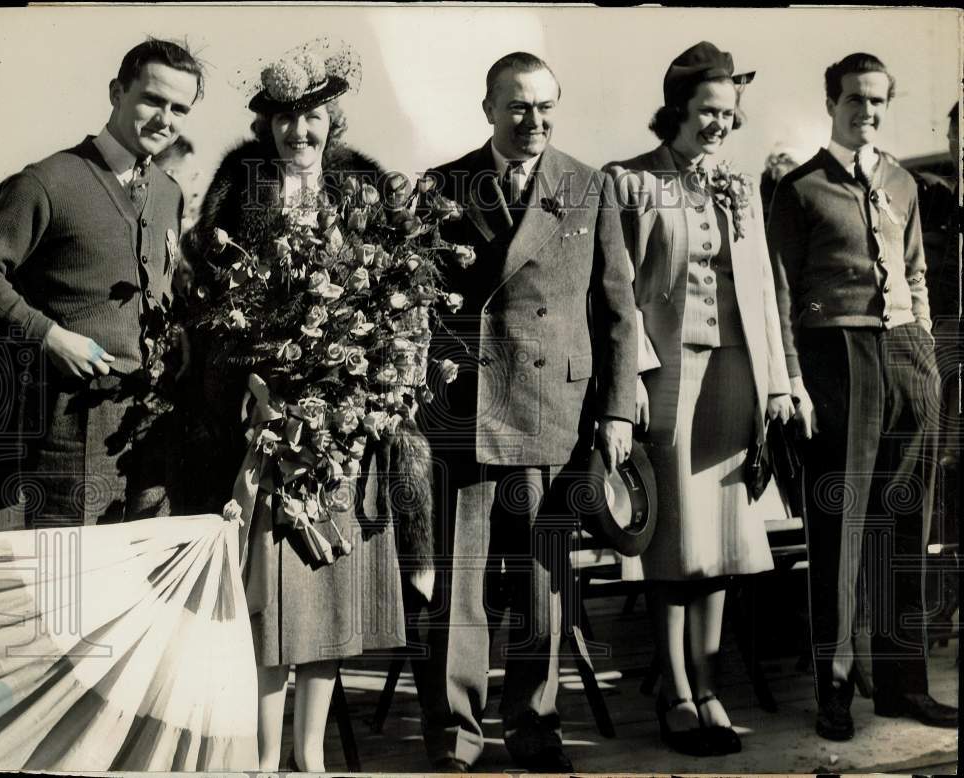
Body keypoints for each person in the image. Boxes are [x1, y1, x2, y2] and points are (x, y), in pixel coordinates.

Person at [186, 40, 406, 772]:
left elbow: (392, 300)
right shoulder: (237, 185)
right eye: (282, 118)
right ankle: (258, 756)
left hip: (345, 424)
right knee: (268, 591)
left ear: (332, 117)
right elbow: (212, 295)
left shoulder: (362, 186)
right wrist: (252, 380)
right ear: (266, 123)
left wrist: (363, 388)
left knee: (325, 593)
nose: (297, 132)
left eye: (311, 116)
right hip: (260, 423)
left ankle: (309, 758)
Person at [415, 51, 638, 773]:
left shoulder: (587, 183)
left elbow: (617, 310)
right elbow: (414, 304)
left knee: (544, 584)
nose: (533, 120)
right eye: (517, 106)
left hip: (555, 407)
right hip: (469, 409)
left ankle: (535, 727)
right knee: (462, 587)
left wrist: (617, 411)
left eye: (545, 106)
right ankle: (457, 732)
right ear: (487, 109)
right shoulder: (443, 185)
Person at [605, 41, 795, 757]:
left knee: (723, 546)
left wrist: (776, 382)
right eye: (707, 111)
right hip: (668, 382)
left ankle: (708, 683)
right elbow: (616, 294)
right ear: (678, 108)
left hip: (736, 378)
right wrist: (631, 385)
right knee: (674, 546)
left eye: (727, 112)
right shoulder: (631, 181)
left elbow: (767, 297)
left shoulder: (739, 184)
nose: (719, 124)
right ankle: (676, 692)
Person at [767, 52, 958, 741]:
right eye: (855, 99)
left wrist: (927, 355)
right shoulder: (798, 189)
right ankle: (835, 690)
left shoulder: (904, 182)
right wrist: (793, 381)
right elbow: (781, 297)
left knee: (906, 529)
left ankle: (905, 686)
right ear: (832, 102)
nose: (867, 111)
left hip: (907, 357)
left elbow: (915, 274)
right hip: (834, 361)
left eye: (878, 101)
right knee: (840, 535)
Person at [0, 39, 203, 526]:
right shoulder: (48, 181)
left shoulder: (169, 193)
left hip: (147, 426)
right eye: (152, 100)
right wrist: (48, 335)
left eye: (179, 108)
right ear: (117, 92)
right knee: (70, 581)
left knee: (137, 584)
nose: (165, 118)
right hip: (64, 423)